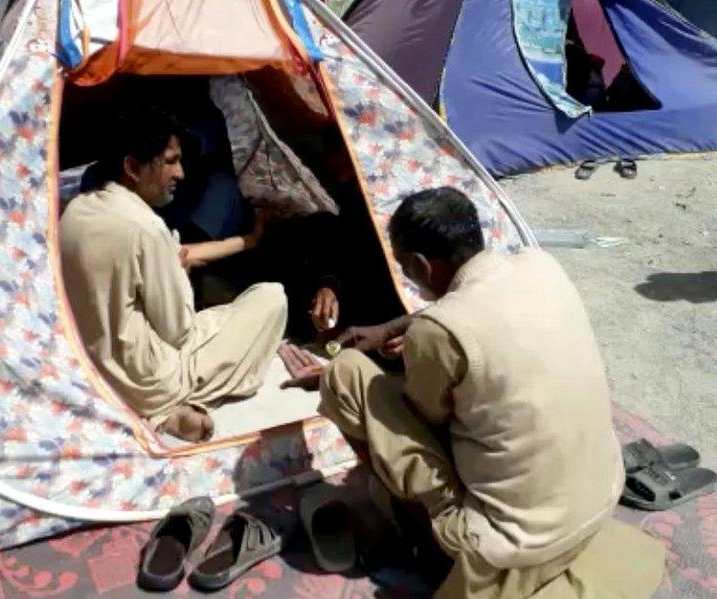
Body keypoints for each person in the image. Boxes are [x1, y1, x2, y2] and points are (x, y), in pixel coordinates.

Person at [280, 188, 665, 597]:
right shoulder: (540, 264)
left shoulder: (439, 331)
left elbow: (425, 425)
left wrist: (333, 378)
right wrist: (394, 329)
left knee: (346, 373)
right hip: (596, 501)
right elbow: (479, 308)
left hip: (508, 540)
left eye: (404, 267)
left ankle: (420, 535)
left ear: (421, 266)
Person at [59, 108, 287, 442]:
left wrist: (248, 241)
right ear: (133, 168)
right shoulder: (146, 228)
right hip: (149, 382)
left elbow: (177, 255)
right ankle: (168, 407)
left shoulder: (76, 212)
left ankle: (168, 409)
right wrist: (179, 276)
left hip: (97, 370)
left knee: (222, 313)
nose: (180, 172)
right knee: (271, 298)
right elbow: (179, 331)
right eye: (170, 161)